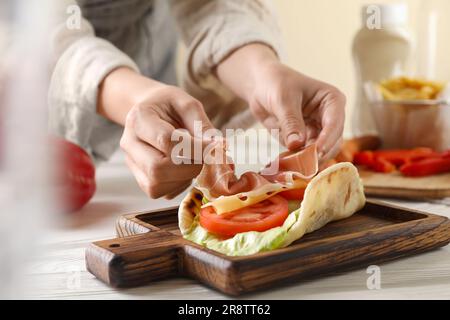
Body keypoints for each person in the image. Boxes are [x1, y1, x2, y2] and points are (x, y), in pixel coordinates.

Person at [49, 0, 346, 199]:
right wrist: (139, 97)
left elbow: (208, 5)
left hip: (154, 113)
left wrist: (261, 72)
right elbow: (43, 33)